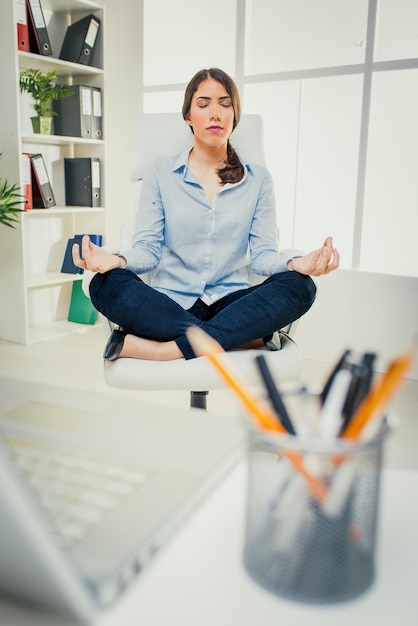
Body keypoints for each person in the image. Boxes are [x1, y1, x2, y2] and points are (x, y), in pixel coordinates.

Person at [72, 68, 339, 362]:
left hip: (232, 303)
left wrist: (297, 263)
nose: (215, 113)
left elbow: (262, 256)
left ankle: (166, 349)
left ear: (234, 114)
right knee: (106, 284)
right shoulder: (159, 173)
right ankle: (244, 338)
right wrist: (116, 260)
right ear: (188, 115)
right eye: (204, 104)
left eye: (225, 104)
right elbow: (147, 251)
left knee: (300, 286)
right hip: (169, 302)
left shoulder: (259, 179)